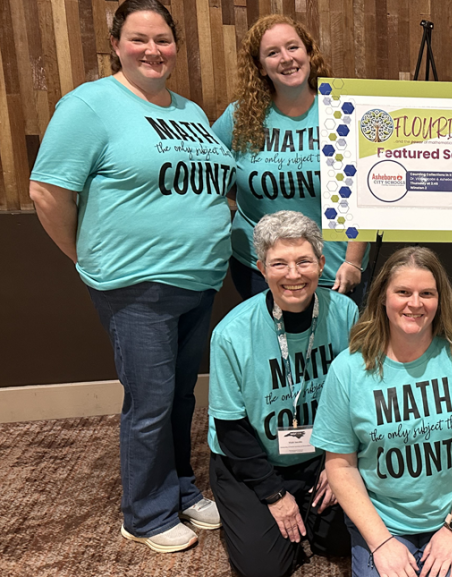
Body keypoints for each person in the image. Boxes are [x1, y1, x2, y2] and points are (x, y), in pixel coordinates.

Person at [28, 0, 232, 553]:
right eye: (139, 38)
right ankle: (144, 512)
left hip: (198, 280)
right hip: (136, 285)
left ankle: (181, 488)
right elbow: (47, 192)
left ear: (176, 47)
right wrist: (86, 257)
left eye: (163, 39)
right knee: (150, 400)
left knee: (181, 397)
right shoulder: (91, 105)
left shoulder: (189, 112)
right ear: (116, 45)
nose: (152, 49)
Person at [311, 247, 452, 577]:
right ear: (382, 297)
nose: (415, 304)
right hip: (381, 520)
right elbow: (340, 465)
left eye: (426, 293)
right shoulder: (348, 368)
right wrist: (381, 541)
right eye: (403, 292)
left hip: (451, 514)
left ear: (440, 299)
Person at [207, 211, 358, 577]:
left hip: (321, 457)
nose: (293, 275)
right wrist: (275, 496)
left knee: (341, 541)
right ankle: (276, 509)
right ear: (261, 268)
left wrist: (339, 462)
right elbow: (231, 429)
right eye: (279, 264)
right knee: (264, 569)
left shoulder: (346, 313)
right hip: (252, 461)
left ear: (321, 263)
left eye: (304, 261)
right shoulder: (231, 334)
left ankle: (308, 507)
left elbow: (359, 400)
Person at [212, 14, 367, 302]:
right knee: (269, 347)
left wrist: (354, 261)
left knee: (336, 348)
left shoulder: (343, 112)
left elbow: (366, 192)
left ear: (308, 52)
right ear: (260, 67)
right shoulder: (238, 116)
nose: (286, 58)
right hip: (260, 270)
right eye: (272, 53)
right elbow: (217, 178)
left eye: (293, 47)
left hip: (335, 268)